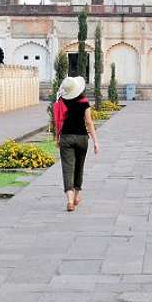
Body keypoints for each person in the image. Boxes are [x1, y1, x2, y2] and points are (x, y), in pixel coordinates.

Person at [54, 75, 98, 212]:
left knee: (67, 168)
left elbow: (58, 121)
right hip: (82, 138)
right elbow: (89, 122)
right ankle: (77, 196)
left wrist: (57, 138)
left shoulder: (61, 101)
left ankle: (70, 201)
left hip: (66, 137)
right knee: (79, 166)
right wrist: (95, 141)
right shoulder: (84, 102)